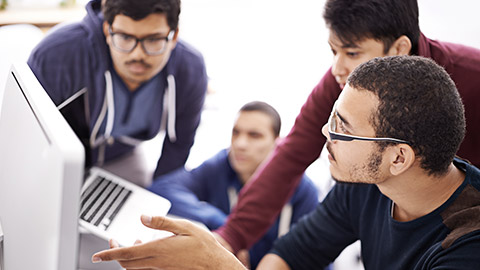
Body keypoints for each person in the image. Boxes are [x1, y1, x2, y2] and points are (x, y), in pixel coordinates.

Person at [91, 56, 480, 269]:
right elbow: (293, 255)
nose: (325, 135)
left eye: (342, 129)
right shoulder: (365, 188)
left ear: (398, 157)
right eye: (330, 119)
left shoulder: (467, 247)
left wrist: (219, 265)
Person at [213, 0, 480, 253]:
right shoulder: (345, 82)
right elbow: (293, 152)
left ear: (399, 48)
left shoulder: (473, 78)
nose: (337, 68)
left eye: (352, 52)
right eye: (334, 51)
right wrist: (230, 237)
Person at [27, 0, 208, 187]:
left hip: (124, 156)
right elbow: (29, 138)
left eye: (153, 40)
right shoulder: (57, 54)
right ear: (107, 30)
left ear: (174, 35)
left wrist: (158, 191)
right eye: (125, 37)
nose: (138, 54)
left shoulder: (191, 69)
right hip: (61, 162)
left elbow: (179, 146)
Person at [148, 101, 319, 269]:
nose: (240, 144)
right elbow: (163, 188)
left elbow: (317, 257)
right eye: (236, 133)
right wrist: (225, 225)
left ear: (278, 142)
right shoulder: (223, 164)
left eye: (254, 135)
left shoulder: (303, 190)